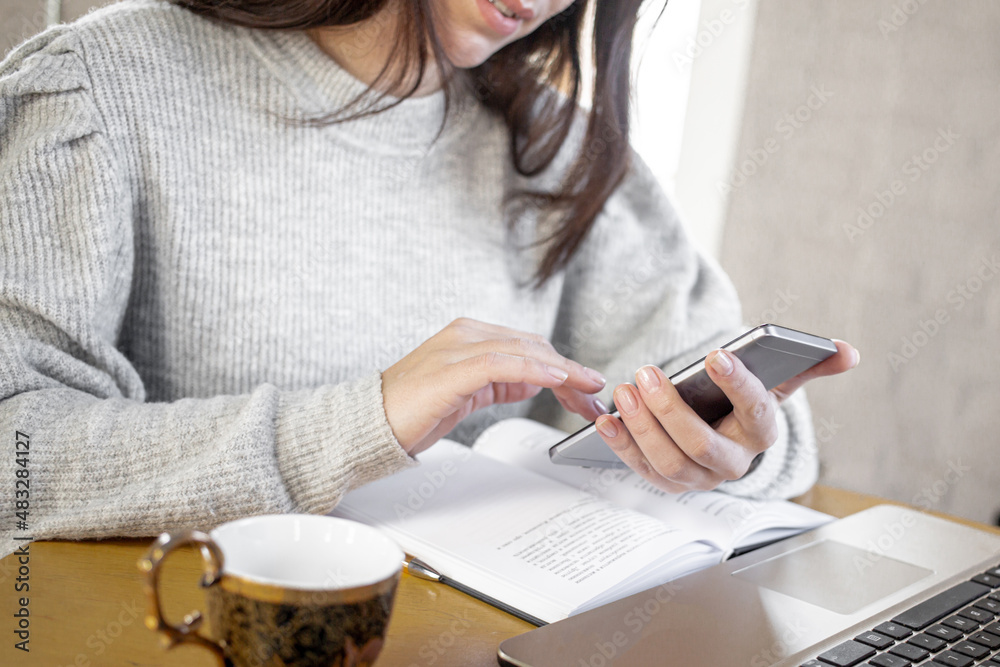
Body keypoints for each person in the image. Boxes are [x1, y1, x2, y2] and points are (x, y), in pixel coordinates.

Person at [0, 0, 858, 553]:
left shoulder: (560, 148)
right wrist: (363, 419)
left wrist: (742, 445)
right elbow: (16, 453)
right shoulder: (99, 87)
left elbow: (732, 387)